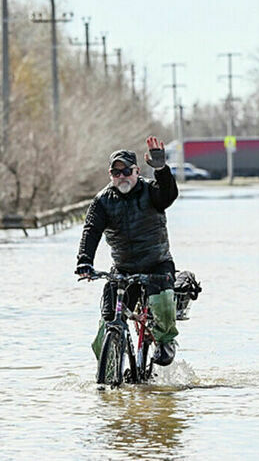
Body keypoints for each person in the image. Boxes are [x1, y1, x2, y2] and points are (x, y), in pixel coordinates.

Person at [75, 136, 179, 366]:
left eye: (126, 171)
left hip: (157, 264)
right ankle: (109, 366)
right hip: (123, 269)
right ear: (110, 175)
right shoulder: (102, 201)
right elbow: (91, 230)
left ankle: (165, 341)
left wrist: (161, 169)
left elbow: (169, 194)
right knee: (108, 319)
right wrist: (84, 262)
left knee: (162, 303)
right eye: (116, 173)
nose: (121, 177)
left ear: (137, 171)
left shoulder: (151, 191)